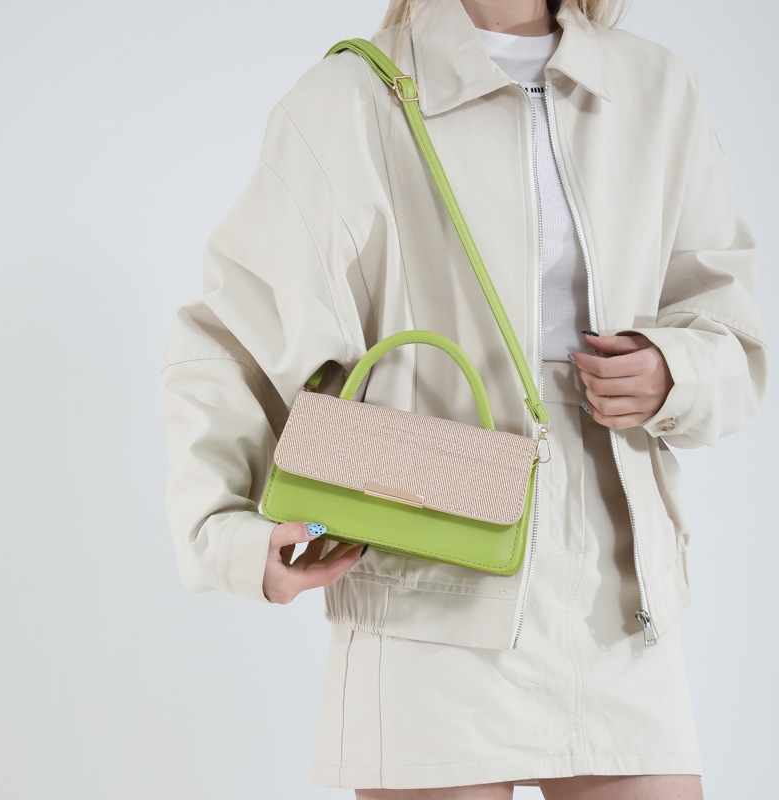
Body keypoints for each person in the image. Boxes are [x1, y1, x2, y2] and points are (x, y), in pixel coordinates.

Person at [161, 0, 767, 797]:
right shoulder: (351, 98)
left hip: (618, 592)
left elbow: (729, 327)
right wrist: (230, 536)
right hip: (427, 577)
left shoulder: (654, 88)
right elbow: (234, 338)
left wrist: (671, 370)